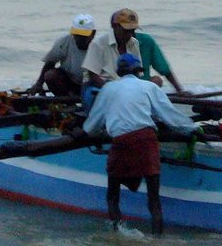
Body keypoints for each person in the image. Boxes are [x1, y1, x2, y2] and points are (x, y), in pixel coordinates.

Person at [82, 53, 198, 235]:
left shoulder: (109, 88)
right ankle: (157, 239)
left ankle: (117, 233)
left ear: (119, 72)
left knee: (112, 197)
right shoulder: (149, 86)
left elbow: (92, 125)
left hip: (121, 141)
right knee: (154, 201)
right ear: (139, 71)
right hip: (146, 141)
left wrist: (86, 131)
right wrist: (192, 128)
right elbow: (170, 116)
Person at [27, 14, 96, 96]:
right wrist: (39, 84)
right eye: (76, 35)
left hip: (91, 83)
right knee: (50, 75)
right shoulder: (64, 41)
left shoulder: (99, 46)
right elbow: (50, 63)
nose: (78, 39)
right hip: (69, 82)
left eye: (83, 36)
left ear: (93, 34)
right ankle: (68, 99)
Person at [81, 8, 143, 90]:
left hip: (125, 86)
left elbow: (138, 71)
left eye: (132, 31)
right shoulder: (98, 43)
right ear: (115, 26)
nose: (129, 34)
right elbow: (92, 74)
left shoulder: (134, 43)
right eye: (126, 31)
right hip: (98, 86)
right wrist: (111, 90)